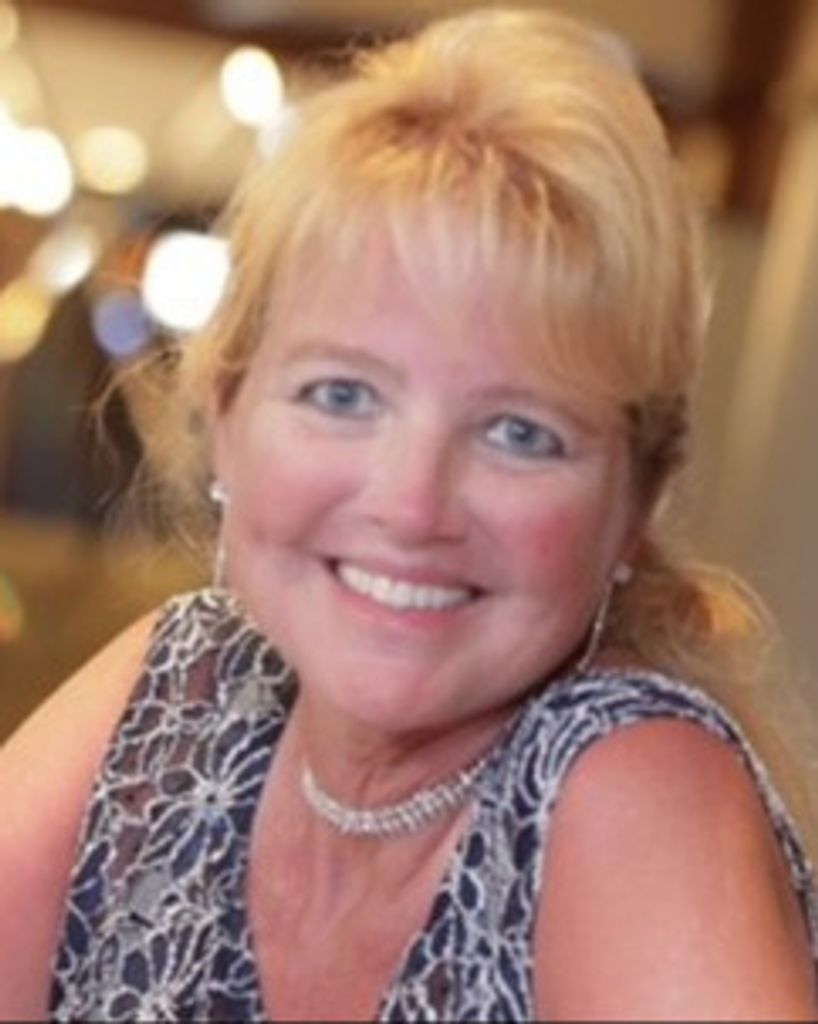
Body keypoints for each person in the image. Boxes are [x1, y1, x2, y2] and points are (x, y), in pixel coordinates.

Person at [1, 7, 816, 1020]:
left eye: (519, 432)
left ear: (632, 505)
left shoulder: (626, 785)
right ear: (225, 417)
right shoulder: (181, 687)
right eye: (342, 394)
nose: (411, 503)